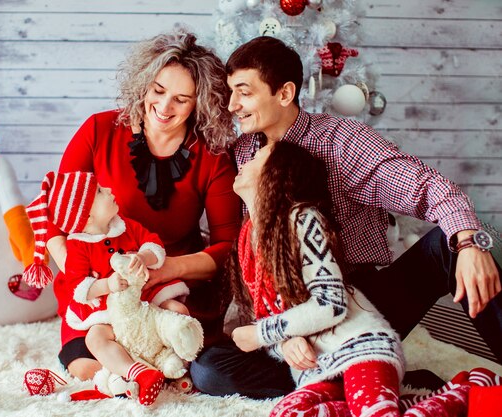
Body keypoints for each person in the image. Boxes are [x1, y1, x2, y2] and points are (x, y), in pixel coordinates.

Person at [190, 35, 502, 397]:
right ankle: (358, 377)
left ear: (285, 93)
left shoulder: (341, 142)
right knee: (210, 371)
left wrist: (468, 241)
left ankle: (359, 366)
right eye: (230, 92)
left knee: (460, 244)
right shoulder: (242, 155)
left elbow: (426, 186)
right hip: (284, 310)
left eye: (244, 92)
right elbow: (253, 269)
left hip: (358, 303)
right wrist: (282, 334)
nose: (232, 105)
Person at [44, 29, 241, 382]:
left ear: (201, 102)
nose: (165, 108)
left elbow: (228, 246)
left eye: (182, 99)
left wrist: (165, 271)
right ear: (144, 83)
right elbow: (56, 222)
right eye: (159, 91)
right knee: (86, 367)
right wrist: (89, 282)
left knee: (187, 364)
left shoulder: (212, 156)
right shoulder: (98, 129)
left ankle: (151, 367)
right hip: (98, 283)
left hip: (173, 284)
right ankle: (130, 373)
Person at [229, 140, 407, 416]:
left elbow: (331, 303)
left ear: (275, 173)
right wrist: (282, 343)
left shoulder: (302, 219)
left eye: (256, 158)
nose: (244, 163)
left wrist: (261, 335)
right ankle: (410, 402)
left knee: (375, 413)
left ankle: (463, 392)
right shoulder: (247, 241)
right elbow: (275, 317)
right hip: (316, 369)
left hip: (358, 347)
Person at [24, 171, 189, 405]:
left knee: (177, 310)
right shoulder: (78, 246)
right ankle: (137, 372)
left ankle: (179, 365)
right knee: (95, 338)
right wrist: (106, 285)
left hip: (144, 300)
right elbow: (78, 286)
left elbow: (154, 243)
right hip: (108, 310)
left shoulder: (125, 226)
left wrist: (144, 256)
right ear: (87, 217)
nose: (109, 190)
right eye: (100, 191)